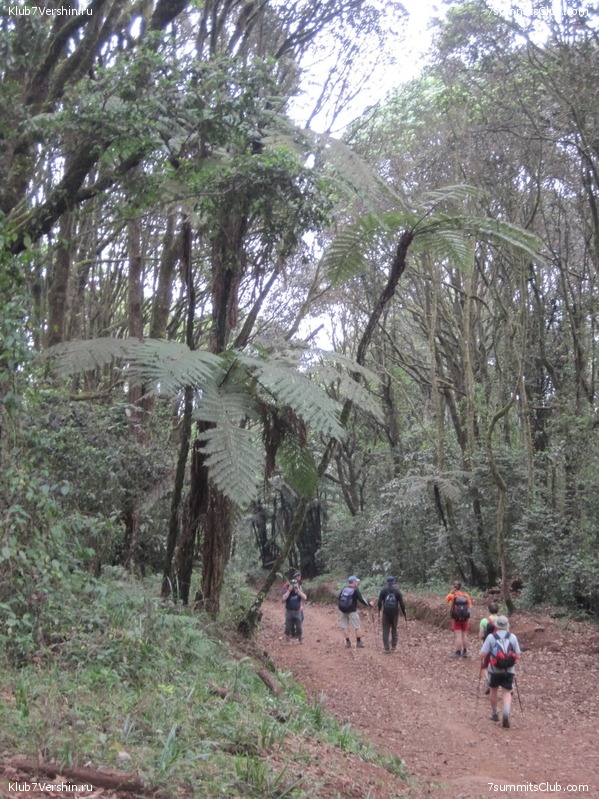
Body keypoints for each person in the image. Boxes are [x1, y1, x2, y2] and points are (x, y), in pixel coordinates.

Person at [480, 615, 521, 728]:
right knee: (507, 691)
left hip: (494, 669)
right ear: (507, 626)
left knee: (493, 690)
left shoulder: (491, 637)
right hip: (509, 669)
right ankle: (506, 713)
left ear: (496, 626)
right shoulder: (512, 637)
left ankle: (494, 713)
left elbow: (482, 653)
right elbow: (518, 655)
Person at [338, 576, 373, 648]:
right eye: (356, 581)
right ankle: (359, 643)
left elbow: (339, 598)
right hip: (352, 611)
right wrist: (369, 604)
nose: (357, 582)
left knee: (345, 627)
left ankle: (348, 643)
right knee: (357, 627)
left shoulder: (344, 589)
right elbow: (361, 599)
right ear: (353, 582)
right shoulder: (355, 590)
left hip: (343, 610)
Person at [377, 576, 407, 652]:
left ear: (387, 583)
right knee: (394, 629)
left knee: (385, 630)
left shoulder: (383, 591)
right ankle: (393, 646)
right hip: (395, 613)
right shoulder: (397, 591)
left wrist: (379, 610)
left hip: (386, 613)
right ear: (394, 583)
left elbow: (379, 602)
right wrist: (404, 613)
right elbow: (401, 604)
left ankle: (386, 648)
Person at [445, 581, 473, 657]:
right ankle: (465, 652)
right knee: (464, 634)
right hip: (465, 619)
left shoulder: (452, 596)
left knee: (458, 635)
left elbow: (446, 600)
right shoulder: (466, 595)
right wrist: (466, 615)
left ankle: (458, 652)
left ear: (454, 587)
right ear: (460, 587)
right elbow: (470, 607)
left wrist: (451, 592)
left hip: (456, 619)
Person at [281, 573, 307, 644]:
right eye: (292, 585)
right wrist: (289, 591)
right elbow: (283, 598)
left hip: (297, 611)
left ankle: (300, 639)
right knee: (288, 626)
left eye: (295, 585)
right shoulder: (287, 590)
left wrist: (298, 590)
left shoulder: (298, 591)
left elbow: (304, 597)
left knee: (299, 626)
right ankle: (288, 640)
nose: (294, 586)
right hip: (289, 611)